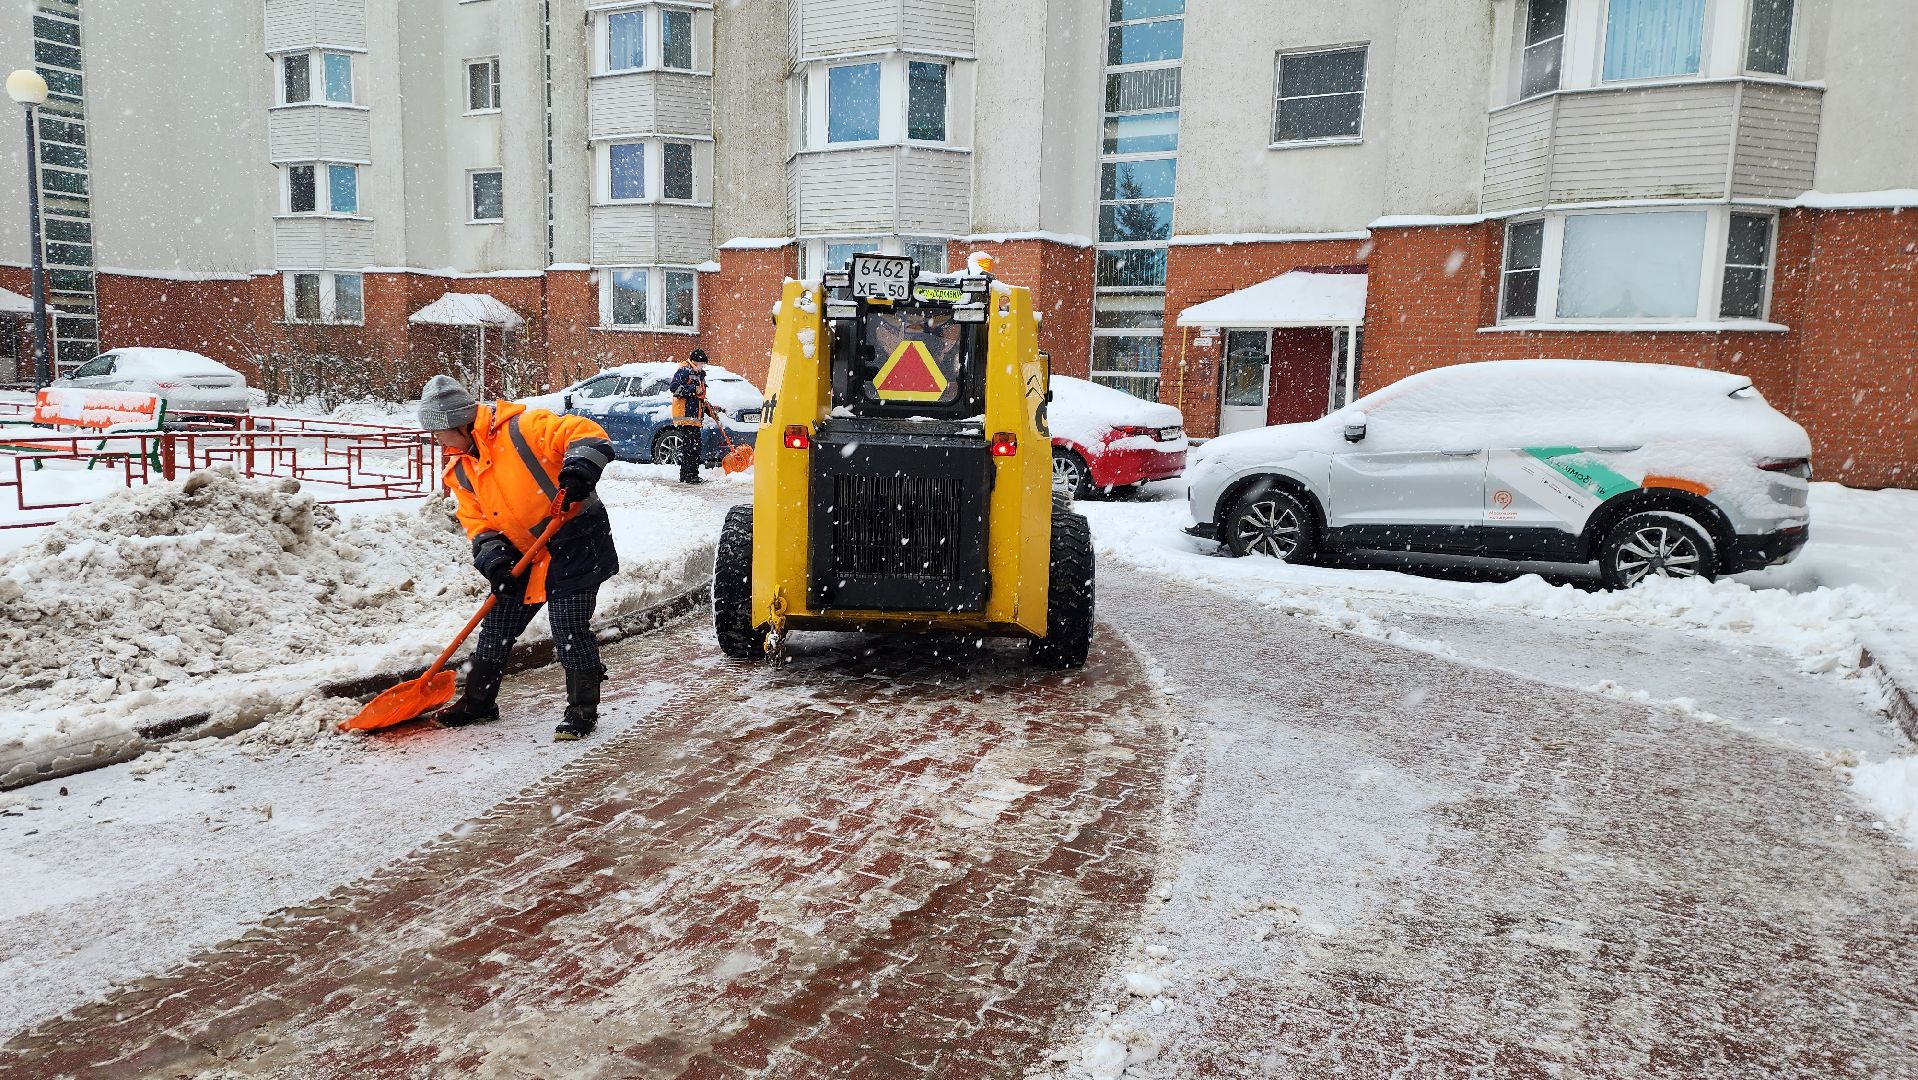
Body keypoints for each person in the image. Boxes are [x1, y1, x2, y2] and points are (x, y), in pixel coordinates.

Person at [417, 375, 619, 741]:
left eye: (439, 431)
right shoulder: (460, 467)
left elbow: (587, 433)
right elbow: (476, 522)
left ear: (460, 423)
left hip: (574, 537)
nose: (437, 440)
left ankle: (581, 711)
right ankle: (478, 702)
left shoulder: (522, 427)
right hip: (522, 552)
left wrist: (578, 470)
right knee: (497, 627)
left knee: (569, 627)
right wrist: (495, 561)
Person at [668, 348, 718, 485]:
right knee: (692, 448)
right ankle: (691, 476)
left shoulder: (699, 374)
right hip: (686, 416)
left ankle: (686, 475)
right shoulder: (685, 371)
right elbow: (674, 388)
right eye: (702, 363)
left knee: (691, 447)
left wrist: (709, 410)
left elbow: (699, 397)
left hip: (694, 417)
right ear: (695, 361)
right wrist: (693, 389)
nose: (703, 366)